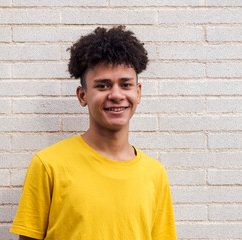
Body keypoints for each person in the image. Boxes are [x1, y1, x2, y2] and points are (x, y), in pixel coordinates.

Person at [10, 25, 177, 240]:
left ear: (138, 92)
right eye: (103, 86)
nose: (116, 95)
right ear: (82, 96)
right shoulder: (48, 164)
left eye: (125, 84)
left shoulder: (155, 174)